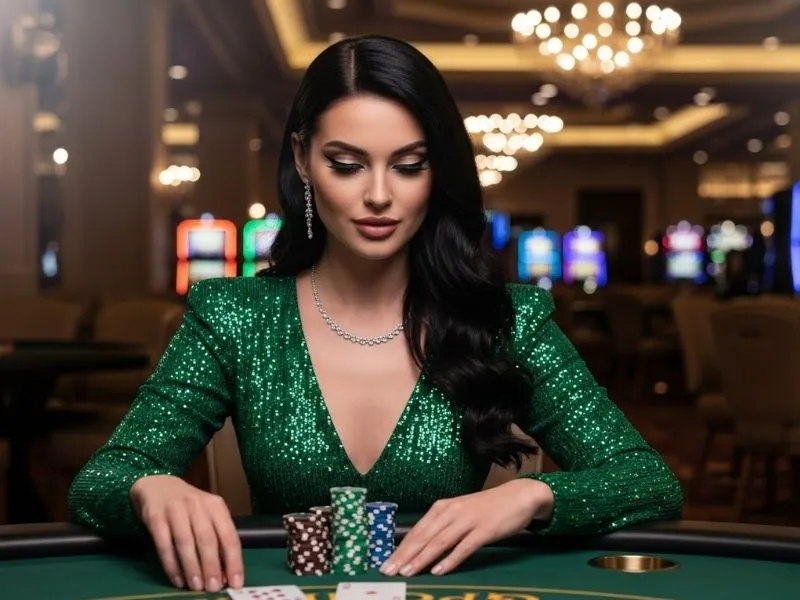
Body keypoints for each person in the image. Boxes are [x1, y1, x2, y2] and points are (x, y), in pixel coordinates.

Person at [68, 34, 682, 594]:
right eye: (347, 163)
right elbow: (102, 480)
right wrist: (150, 488)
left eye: (409, 165)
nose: (381, 194)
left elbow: (648, 482)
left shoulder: (504, 320)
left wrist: (532, 496)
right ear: (304, 159)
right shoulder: (233, 316)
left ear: (436, 170)